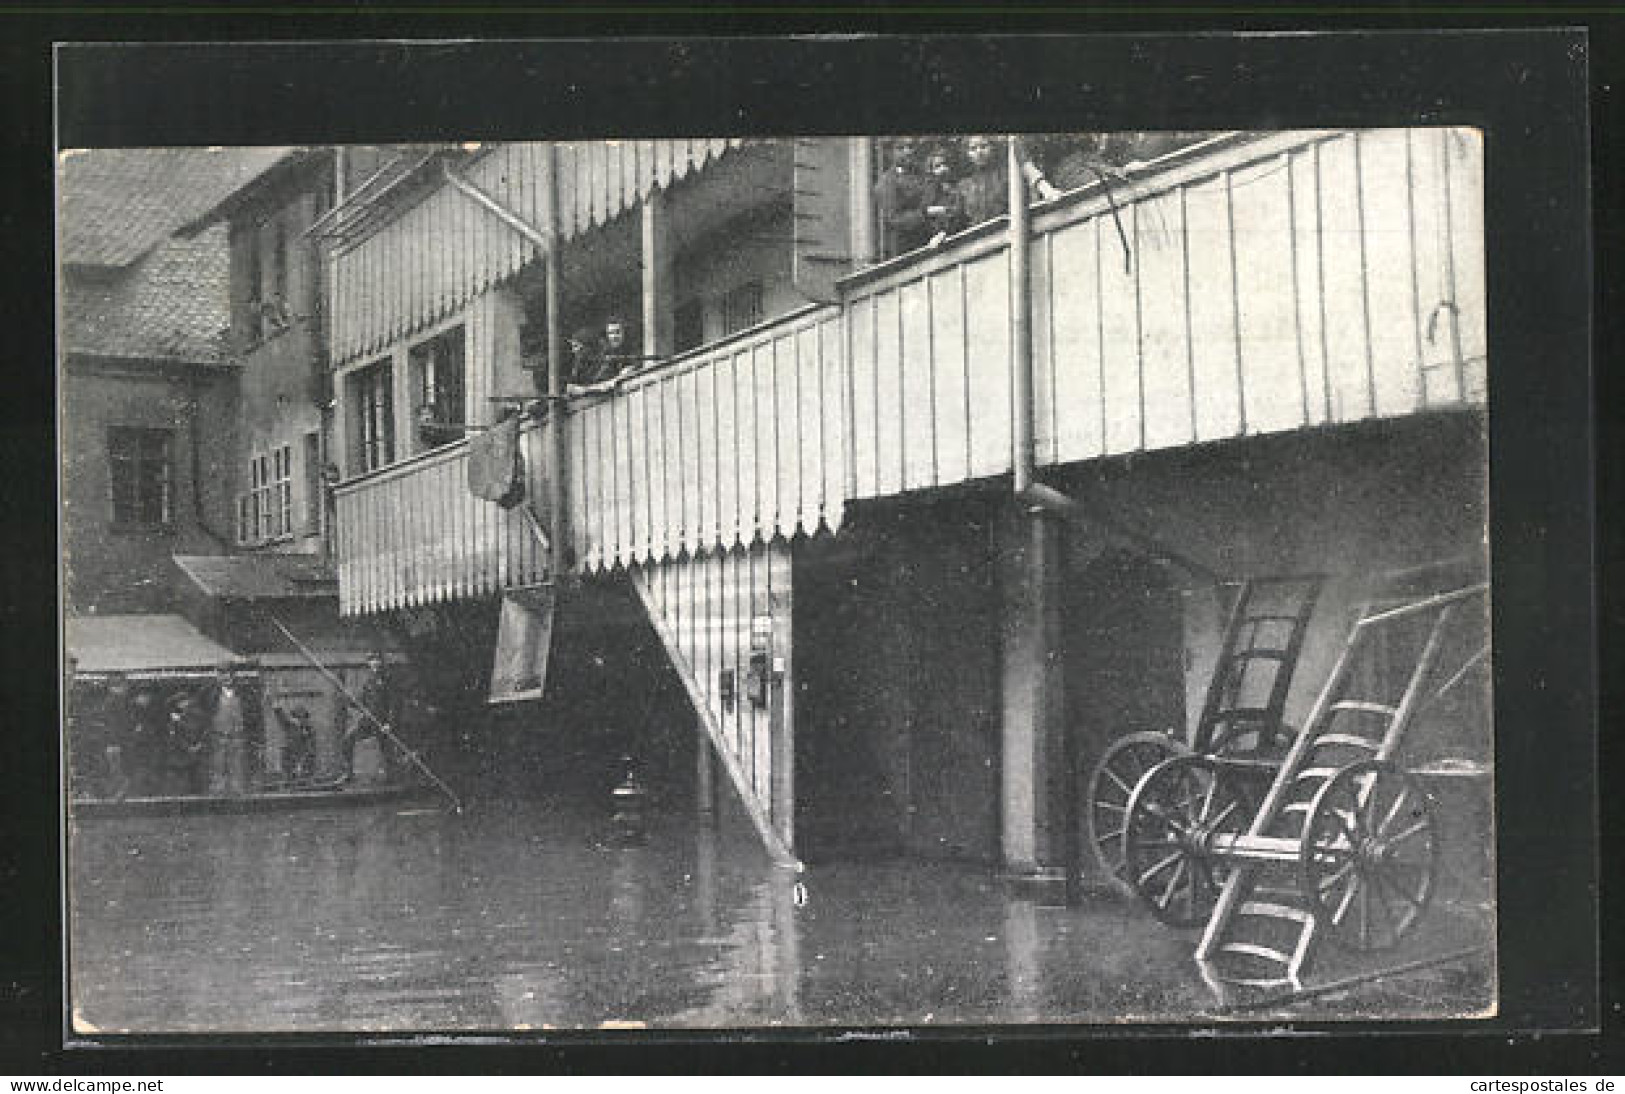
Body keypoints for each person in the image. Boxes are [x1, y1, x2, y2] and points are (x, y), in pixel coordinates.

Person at [345, 652, 399, 785]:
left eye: (377, 659)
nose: (374, 662)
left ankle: (391, 779)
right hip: (369, 721)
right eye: (371, 660)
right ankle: (349, 773)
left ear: (382, 662)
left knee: (387, 750)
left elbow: (394, 704)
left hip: (383, 722)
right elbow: (362, 701)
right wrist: (351, 699)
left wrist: (389, 724)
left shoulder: (388, 679)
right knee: (347, 740)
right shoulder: (369, 681)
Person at [874, 136, 932, 258]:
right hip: (905, 247)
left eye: (910, 147)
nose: (907, 151)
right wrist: (924, 214)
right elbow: (894, 218)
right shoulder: (887, 182)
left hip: (930, 239)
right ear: (890, 153)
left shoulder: (923, 175)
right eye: (901, 148)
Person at [206, 663, 249, 796]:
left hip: (238, 736)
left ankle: (237, 794)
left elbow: (252, 714)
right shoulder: (209, 693)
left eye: (229, 673)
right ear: (217, 676)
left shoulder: (244, 692)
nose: (226, 677)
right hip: (218, 736)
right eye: (222, 674)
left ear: (233, 675)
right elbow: (201, 713)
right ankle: (217, 795)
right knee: (217, 765)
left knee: (237, 765)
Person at [955, 134, 1008, 227]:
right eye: (973, 148)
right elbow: (958, 219)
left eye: (983, 146)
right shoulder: (964, 186)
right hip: (978, 238)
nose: (979, 152)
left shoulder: (1007, 176)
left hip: (1006, 232)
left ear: (992, 148)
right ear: (968, 154)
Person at [920, 146, 966, 245]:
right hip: (934, 240)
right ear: (931, 171)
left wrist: (943, 210)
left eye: (945, 164)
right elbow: (925, 214)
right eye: (937, 166)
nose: (942, 169)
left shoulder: (958, 189)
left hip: (957, 236)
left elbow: (958, 212)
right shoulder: (929, 193)